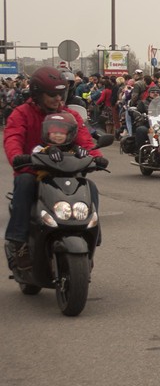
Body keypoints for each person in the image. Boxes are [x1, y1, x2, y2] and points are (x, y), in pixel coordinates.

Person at [3, 67, 106, 270]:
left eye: (61, 93)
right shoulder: (21, 114)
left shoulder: (69, 116)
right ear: (36, 93)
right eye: (52, 94)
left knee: (90, 187)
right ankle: (19, 242)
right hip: (32, 172)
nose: (57, 98)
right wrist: (18, 157)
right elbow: (13, 137)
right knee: (24, 184)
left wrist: (97, 157)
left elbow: (85, 140)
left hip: (66, 171)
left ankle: (90, 237)